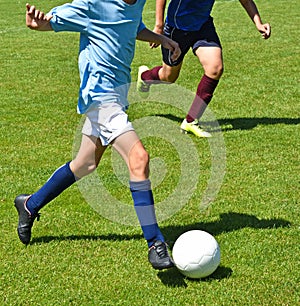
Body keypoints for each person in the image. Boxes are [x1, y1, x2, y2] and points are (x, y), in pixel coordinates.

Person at [14, 1, 181, 270]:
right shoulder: (93, 5)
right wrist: (38, 23)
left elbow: (131, 25)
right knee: (139, 159)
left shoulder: (137, 3)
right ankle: (155, 242)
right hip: (100, 98)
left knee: (85, 164)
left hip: (117, 96)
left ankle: (30, 205)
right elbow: (49, 21)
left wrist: (162, 39)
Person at [137, 0, 271, 137]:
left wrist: (258, 23)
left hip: (202, 27)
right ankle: (145, 77)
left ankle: (190, 121)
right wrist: (159, 26)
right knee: (168, 77)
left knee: (215, 68)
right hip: (176, 28)